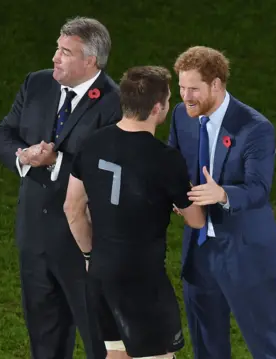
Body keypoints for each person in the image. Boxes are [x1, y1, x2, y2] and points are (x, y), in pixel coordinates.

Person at [0, 16, 121, 359]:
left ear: (89, 61)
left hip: (83, 244)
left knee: (99, 341)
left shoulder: (113, 104)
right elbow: (2, 135)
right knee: (44, 342)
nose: (55, 58)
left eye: (65, 52)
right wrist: (24, 156)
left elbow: (109, 173)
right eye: (57, 49)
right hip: (34, 237)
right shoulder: (37, 84)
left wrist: (56, 164)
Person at [63, 65, 205, 359]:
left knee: (116, 355)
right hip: (143, 281)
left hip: (101, 274)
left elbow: (72, 208)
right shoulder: (166, 159)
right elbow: (196, 219)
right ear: (157, 108)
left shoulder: (92, 143)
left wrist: (90, 255)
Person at [168, 46, 276, 359]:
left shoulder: (255, 128)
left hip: (245, 255)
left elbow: (258, 190)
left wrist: (222, 194)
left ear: (217, 84)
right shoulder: (182, 116)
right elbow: (172, 164)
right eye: (181, 88)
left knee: (267, 347)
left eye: (193, 89)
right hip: (199, 253)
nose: (186, 97)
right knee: (207, 348)